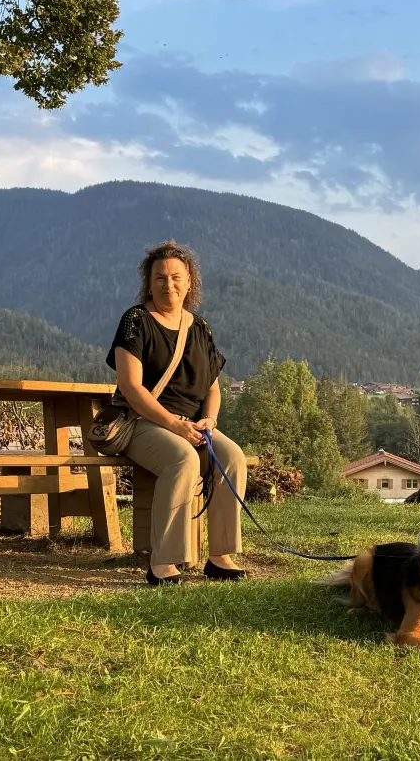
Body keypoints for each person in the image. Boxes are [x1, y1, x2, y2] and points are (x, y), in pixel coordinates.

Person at [107, 240, 249, 586]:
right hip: (143, 422)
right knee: (182, 458)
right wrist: (175, 424)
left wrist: (210, 422)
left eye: (175, 277)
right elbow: (131, 387)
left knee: (231, 456)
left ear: (189, 282)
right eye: (159, 278)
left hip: (192, 426)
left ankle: (219, 557)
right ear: (149, 282)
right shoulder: (135, 321)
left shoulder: (201, 329)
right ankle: (163, 563)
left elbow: (212, 389)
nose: (167, 285)